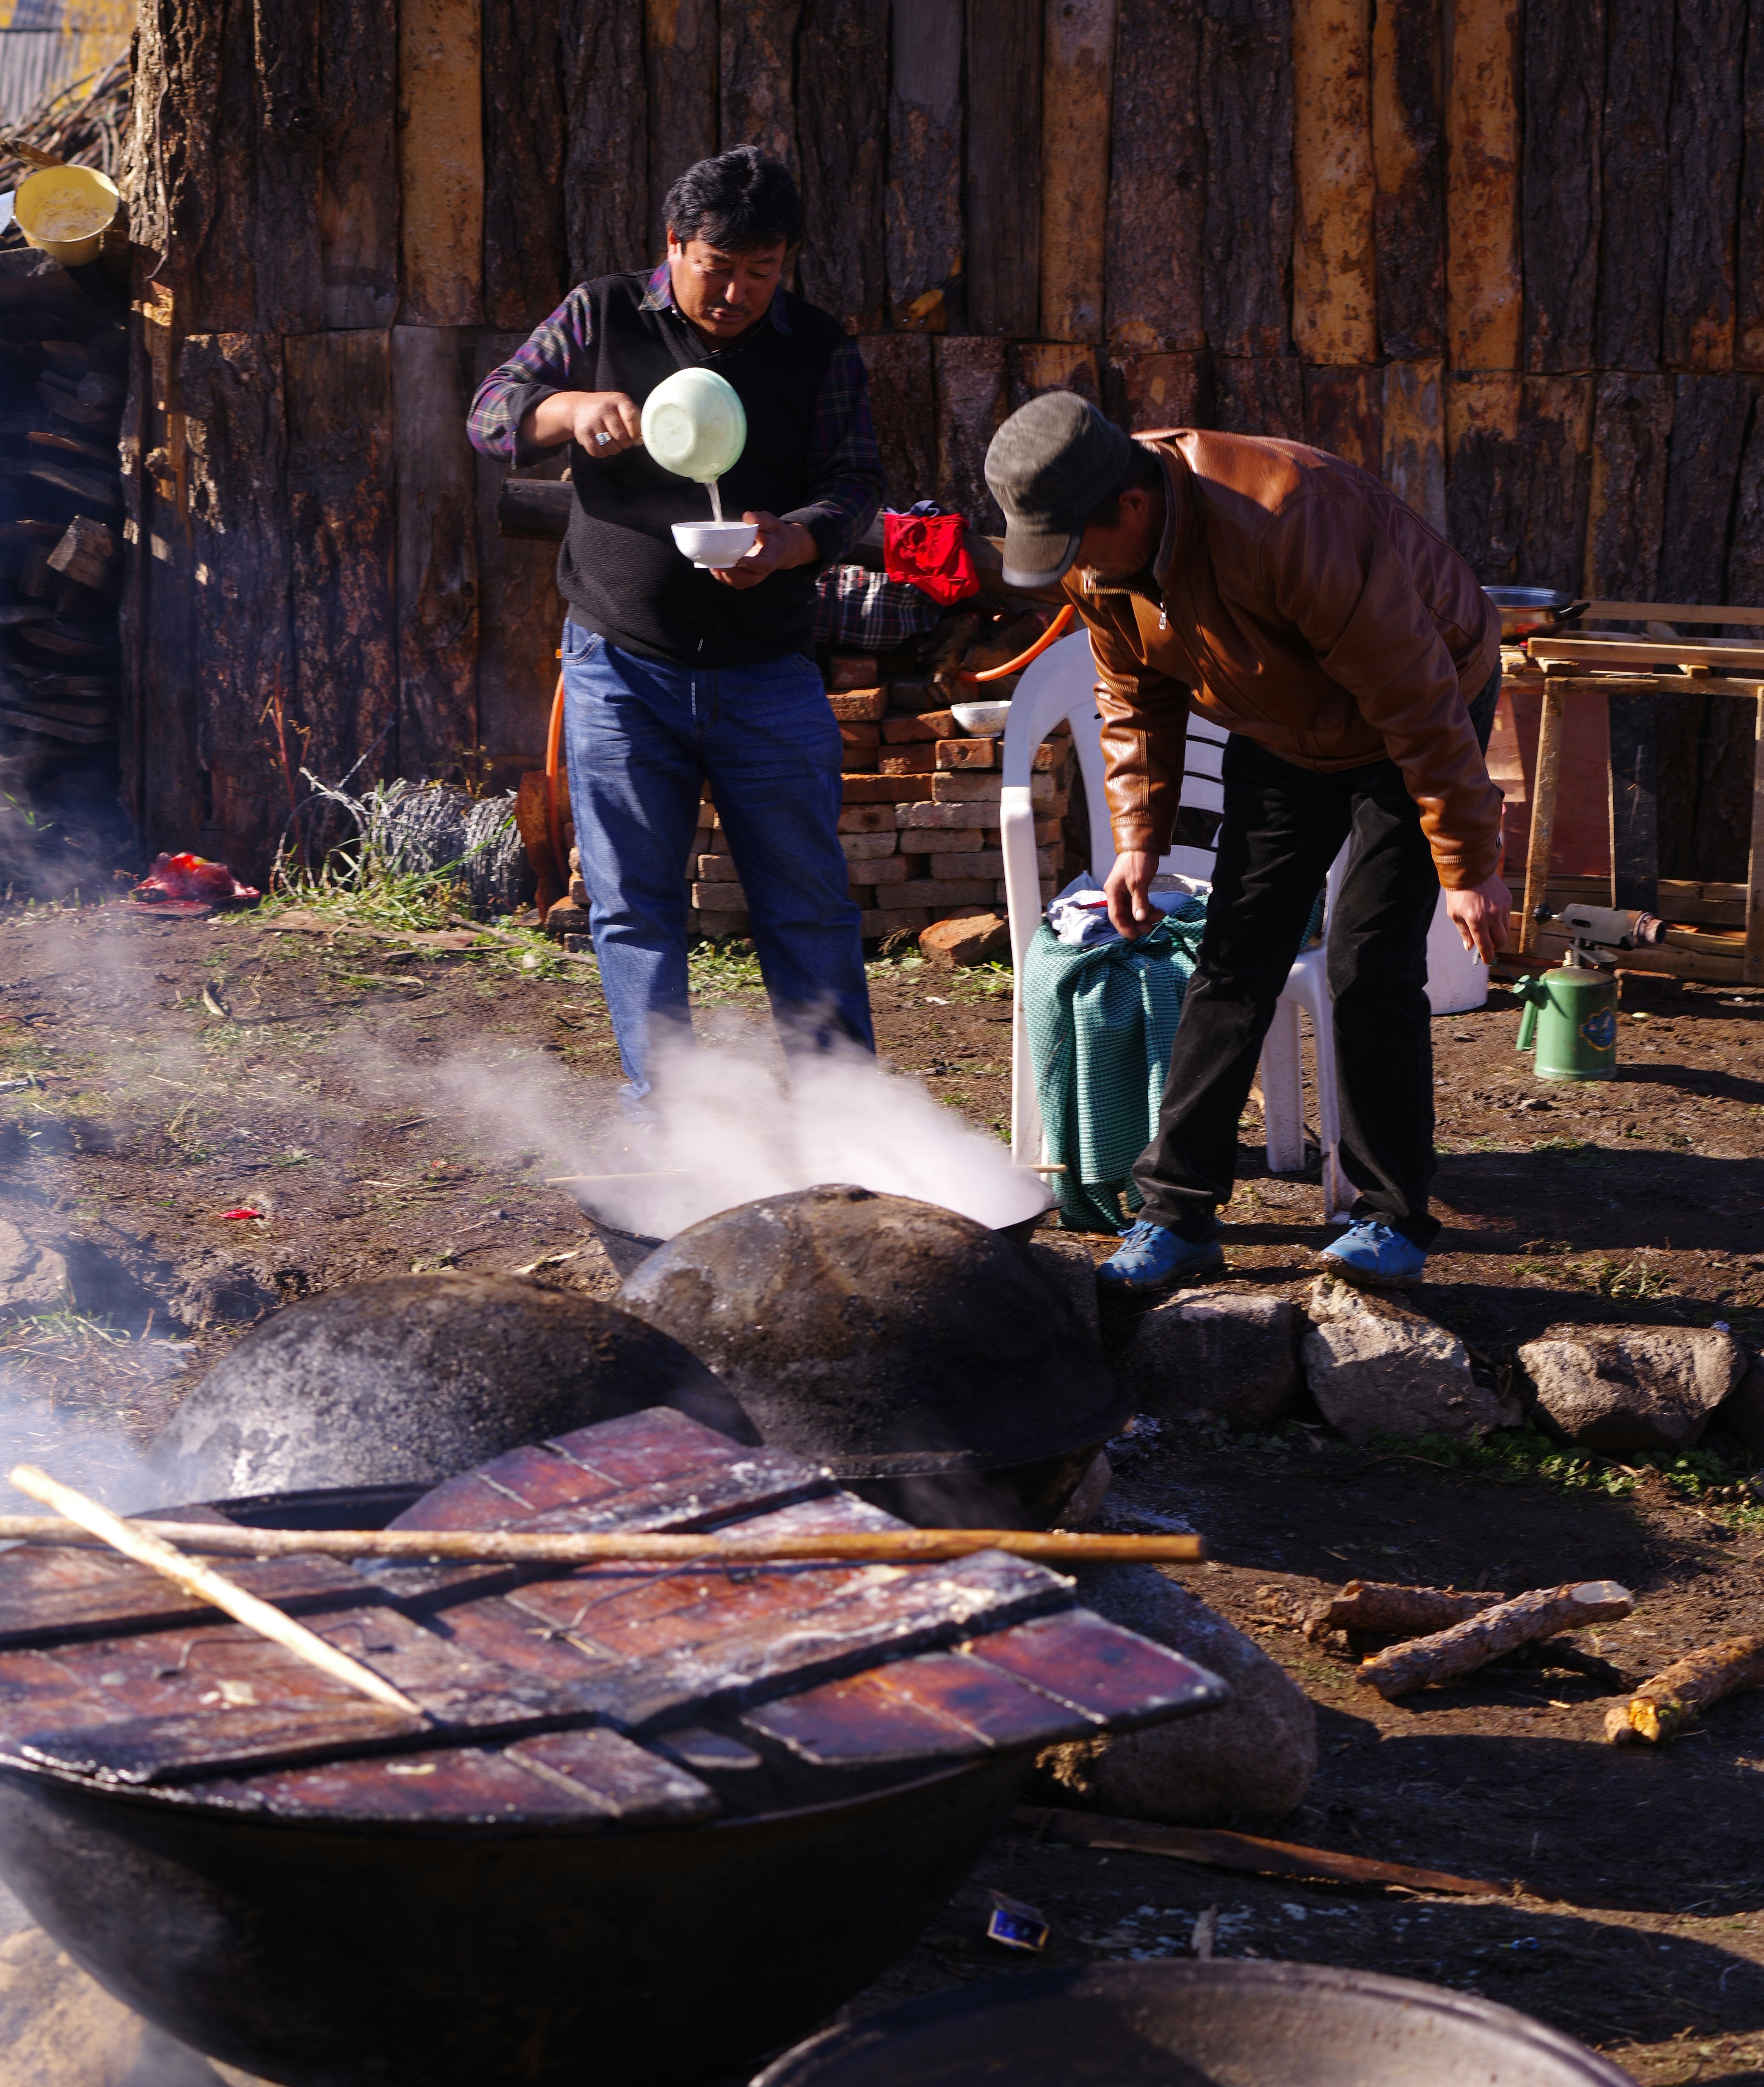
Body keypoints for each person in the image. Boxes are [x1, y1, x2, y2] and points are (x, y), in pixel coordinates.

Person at [983, 393, 1511, 1296]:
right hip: (1281, 727)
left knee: (1369, 963)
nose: (1073, 570)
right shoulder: (1097, 554)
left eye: (1076, 547)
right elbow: (1132, 692)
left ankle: (1392, 1216)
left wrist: (1467, 860)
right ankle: (1176, 1215)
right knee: (1234, 954)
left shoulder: (1286, 518)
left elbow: (1415, 698)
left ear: (1133, 508)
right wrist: (1139, 840)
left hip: (1417, 711)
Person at [468, 146, 883, 1108]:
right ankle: (673, 1119)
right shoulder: (603, 312)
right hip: (621, 665)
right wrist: (566, 409)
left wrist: (793, 542)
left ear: (786, 264)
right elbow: (490, 412)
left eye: (761, 271)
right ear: (674, 245)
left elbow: (854, 483)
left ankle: (848, 1123)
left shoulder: (816, 345)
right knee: (635, 910)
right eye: (717, 266)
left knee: (809, 908)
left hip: (769, 670)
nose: (736, 292)